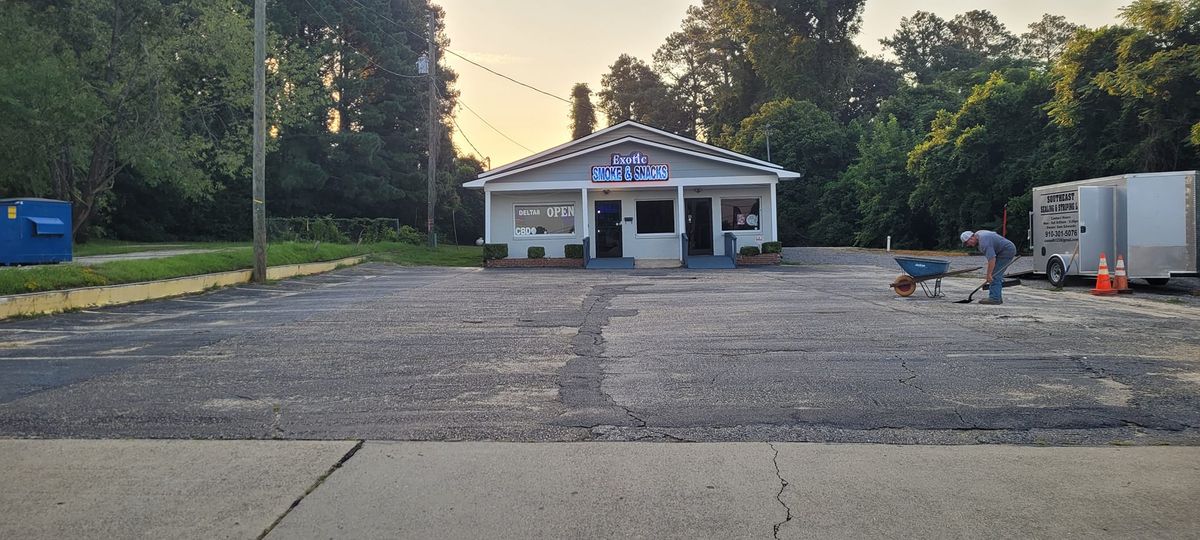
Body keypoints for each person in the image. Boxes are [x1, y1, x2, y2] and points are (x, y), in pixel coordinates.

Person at [961, 230, 1016, 305]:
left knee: (994, 275)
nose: (968, 245)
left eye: (967, 243)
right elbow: (994, 234)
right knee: (995, 274)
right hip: (1001, 251)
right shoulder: (978, 235)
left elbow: (991, 259)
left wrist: (988, 275)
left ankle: (995, 298)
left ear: (971, 238)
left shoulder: (984, 242)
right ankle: (997, 297)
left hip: (1007, 251)